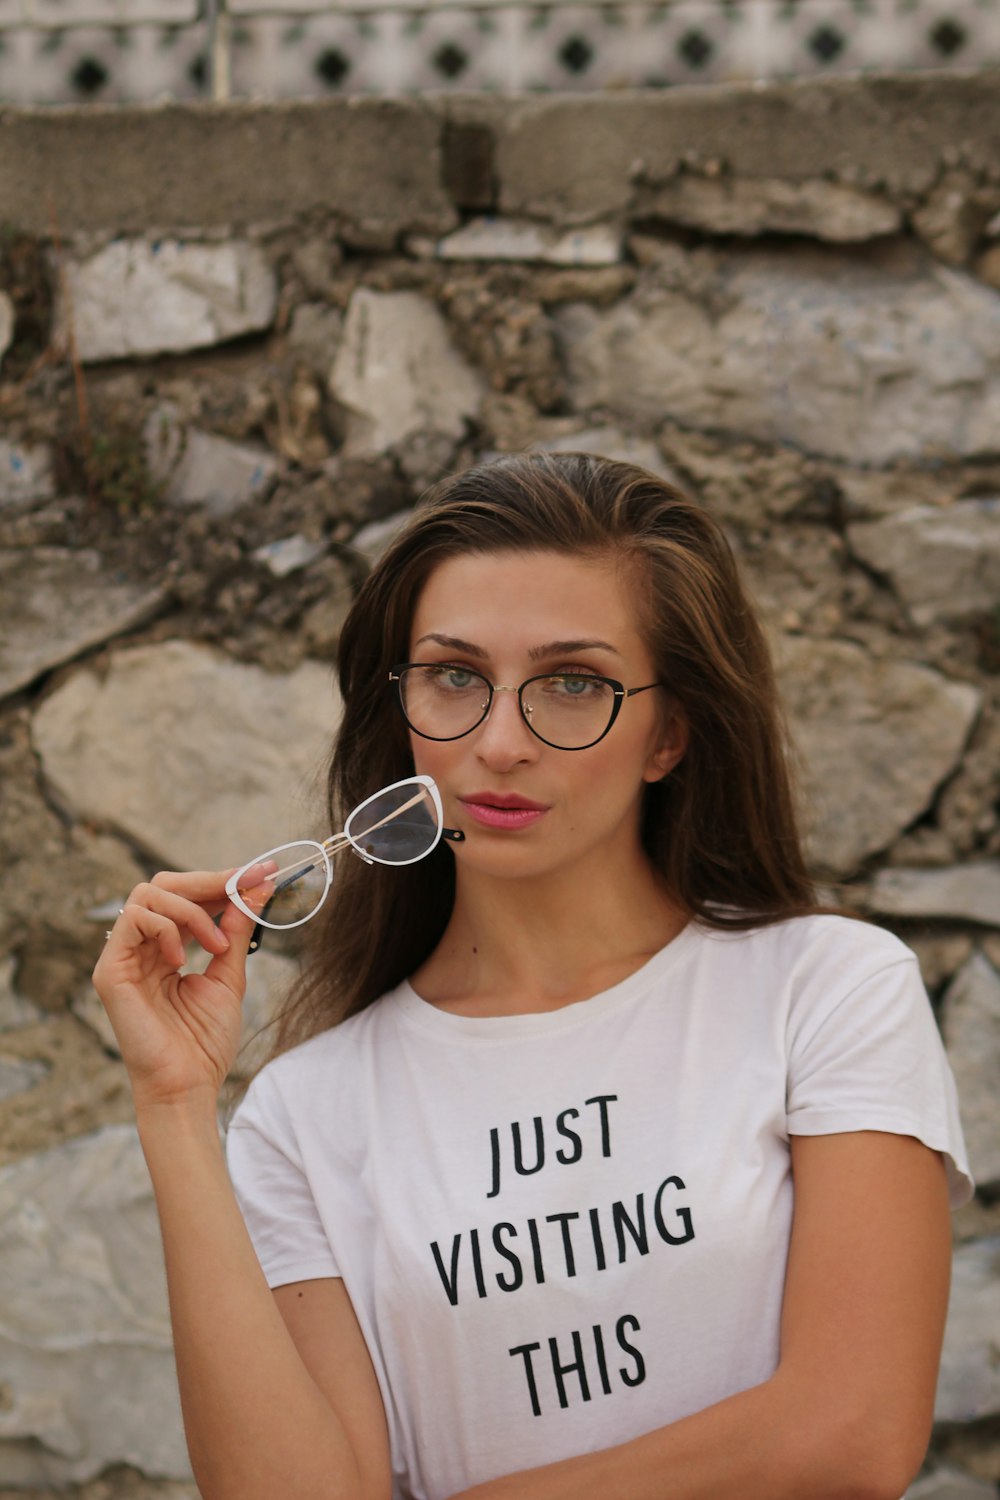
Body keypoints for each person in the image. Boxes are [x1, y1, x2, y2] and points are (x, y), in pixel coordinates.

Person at [93, 452, 973, 1500]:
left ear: (670, 731)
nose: (499, 743)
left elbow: (846, 1434)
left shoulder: (823, 990)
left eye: (573, 684)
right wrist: (178, 1107)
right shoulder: (307, 1112)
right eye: (455, 676)